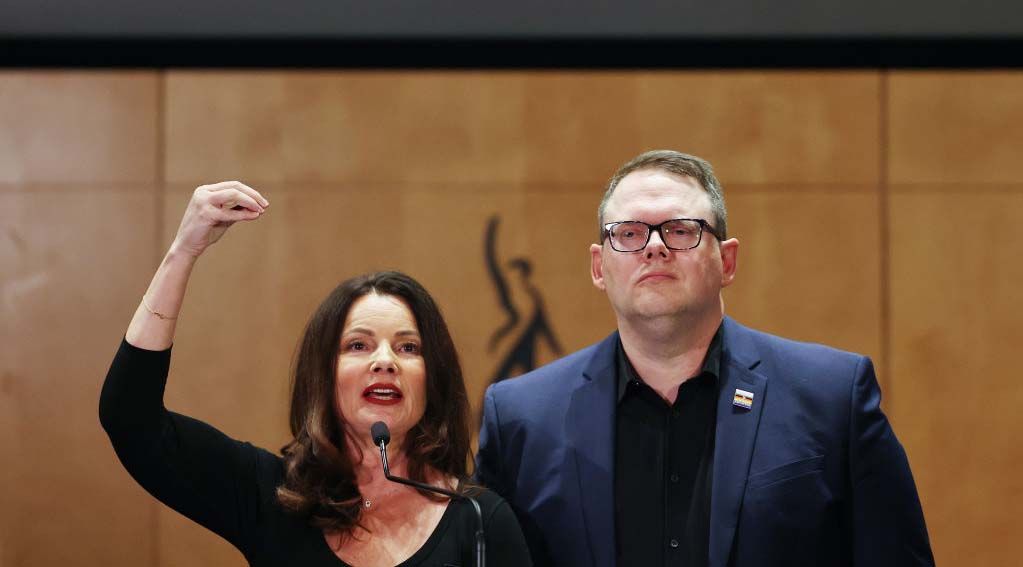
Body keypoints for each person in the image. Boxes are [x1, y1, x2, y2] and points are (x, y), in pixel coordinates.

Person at [476, 151, 934, 567]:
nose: (654, 247)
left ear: (726, 261)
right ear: (599, 267)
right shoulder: (520, 418)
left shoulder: (833, 397)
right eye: (629, 233)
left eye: (681, 231)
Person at [100, 181, 532, 567]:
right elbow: (129, 418)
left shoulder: (479, 520)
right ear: (323, 376)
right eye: (358, 345)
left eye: (408, 347)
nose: (385, 361)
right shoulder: (272, 497)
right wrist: (183, 252)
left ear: (432, 379)